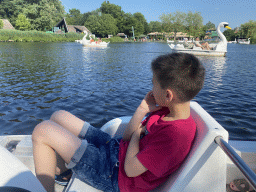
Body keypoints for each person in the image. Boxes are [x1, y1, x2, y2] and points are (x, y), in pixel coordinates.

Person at [32, 53, 205, 192]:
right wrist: (142, 109)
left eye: (153, 84)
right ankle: (65, 172)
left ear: (168, 95)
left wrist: (138, 134)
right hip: (116, 149)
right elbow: (127, 137)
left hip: (114, 175)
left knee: (42, 130)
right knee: (58, 115)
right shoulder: (166, 110)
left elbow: (130, 169)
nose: (151, 88)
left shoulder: (175, 137)